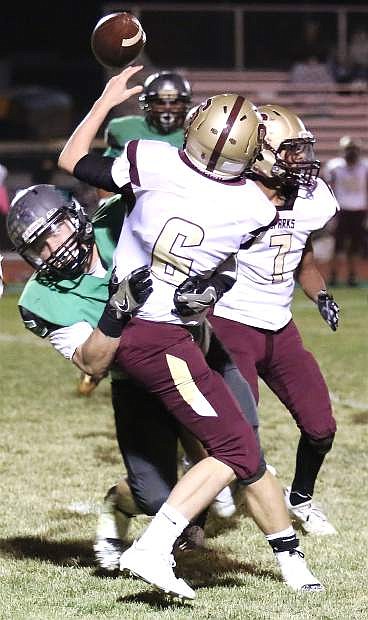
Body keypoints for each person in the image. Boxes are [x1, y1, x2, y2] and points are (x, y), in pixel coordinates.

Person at [58, 64, 324, 598]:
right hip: (157, 337)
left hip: (139, 328)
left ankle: (279, 558)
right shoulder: (252, 208)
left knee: (241, 450)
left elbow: (70, 160)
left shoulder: (148, 159)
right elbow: (240, 233)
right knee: (232, 446)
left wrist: (107, 99)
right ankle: (154, 548)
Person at [6, 184, 261, 572]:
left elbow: (202, 233)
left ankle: (278, 546)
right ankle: (119, 502)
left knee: (244, 441)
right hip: (137, 381)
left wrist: (209, 287)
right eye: (39, 245)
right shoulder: (40, 299)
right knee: (154, 497)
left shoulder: (120, 217)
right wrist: (116, 312)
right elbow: (91, 364)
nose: (52, 248)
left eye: (55, 229)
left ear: (76, 214)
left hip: (196, 350)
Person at [175, 104, 340, 537]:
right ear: (262, 152)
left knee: (321, 428)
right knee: (234, 436)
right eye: (290, 152)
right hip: (231, 325)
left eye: (302, 151)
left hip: (280, 327)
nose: (300, 161)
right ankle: (194, 518)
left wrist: (320, 294)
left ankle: (300, 499)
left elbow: (301, 257)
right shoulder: (235, 195)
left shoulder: (309, 199)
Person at [78, 70, 193, 396]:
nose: (168, 108)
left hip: (178, 226)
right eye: (160, 101)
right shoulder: (124, 129)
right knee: (117, 289)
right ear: (146, 105)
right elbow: (105, 178)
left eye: (175, 101)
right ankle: (95, 362)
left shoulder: (194, 134)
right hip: (129, 219)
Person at [323, 136, 368, 286]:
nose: (352, 153)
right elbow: (329, 188)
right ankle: (334, 275)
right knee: (338, 246)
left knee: (355, 246)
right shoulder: (335, 166)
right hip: (341, 210)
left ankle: (352, 275)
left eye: (354, 149)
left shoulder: (364, 167)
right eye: (349, 149)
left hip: (359, 210)